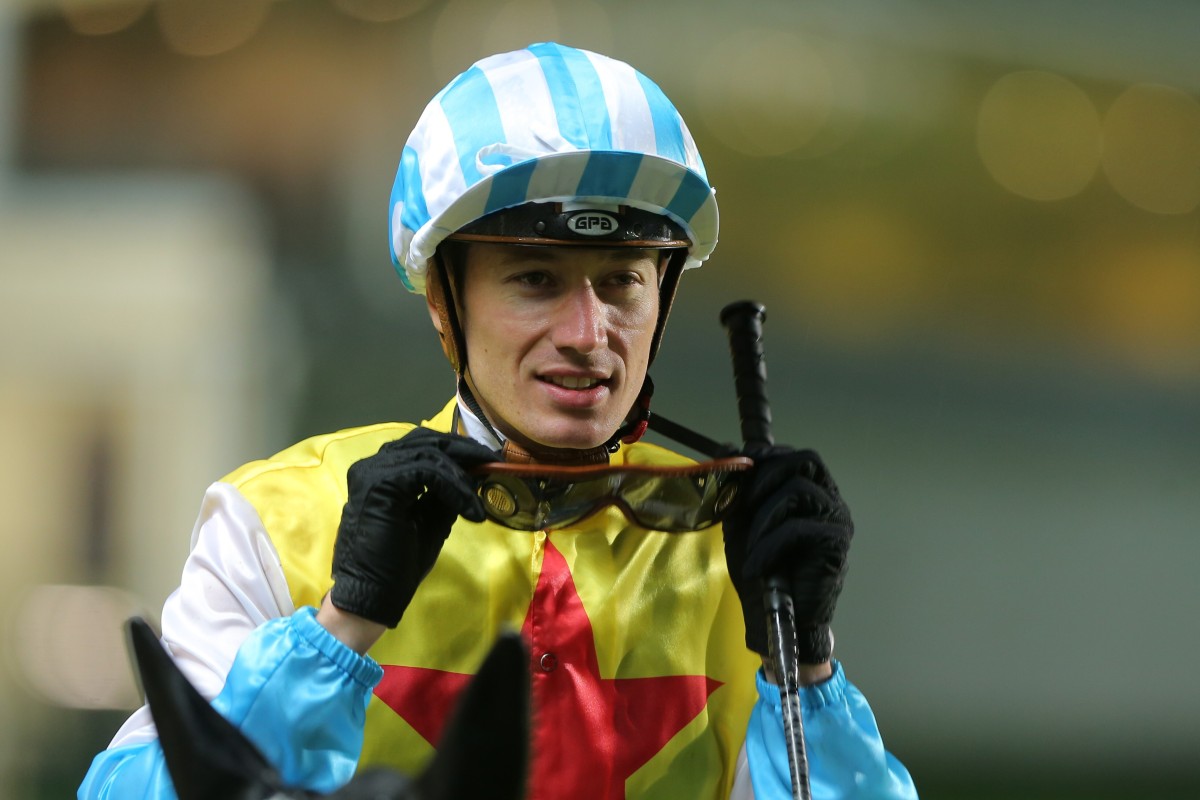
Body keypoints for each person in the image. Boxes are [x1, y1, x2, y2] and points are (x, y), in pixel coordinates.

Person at [79, 42, 916, 800]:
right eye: (535, 279)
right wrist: (344, 622)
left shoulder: (741, 560)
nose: (589, 337)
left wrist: (806, 670)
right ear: (445, 303)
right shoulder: (271, 521)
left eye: (622, 280)